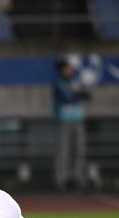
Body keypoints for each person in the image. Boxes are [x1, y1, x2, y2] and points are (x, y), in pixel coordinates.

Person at [53, 59, 91, 192]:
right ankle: (61, 181)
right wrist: (77, 93)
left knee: (80, 152)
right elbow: (66, 97)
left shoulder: (76, 81)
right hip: (63, 122)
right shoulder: (58, 82)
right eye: (67, 68)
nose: (71, 71)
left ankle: (80, 180)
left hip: (78, 121)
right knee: (63, 153)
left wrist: (78, 92)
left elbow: (88, 95)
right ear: (62, 70)